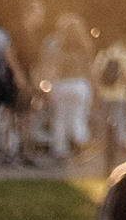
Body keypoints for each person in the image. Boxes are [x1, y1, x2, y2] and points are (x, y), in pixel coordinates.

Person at [41, 16, 95, 164]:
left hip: (62, 84)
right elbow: (90, 69)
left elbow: (53, 67)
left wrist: (47, 83)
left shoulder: (59, 47)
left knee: (60, 119)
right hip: (80, 84)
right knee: (78, 117)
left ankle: (60, 151)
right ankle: (79, 148)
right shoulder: (84, 47)